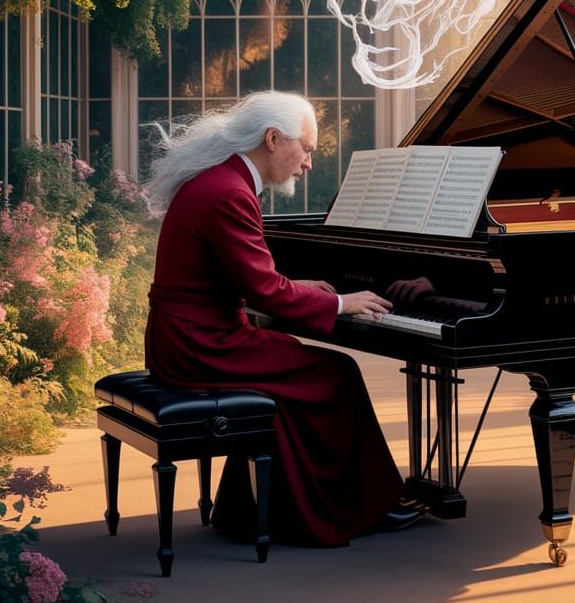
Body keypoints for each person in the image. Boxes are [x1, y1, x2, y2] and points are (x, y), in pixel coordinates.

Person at [143, 90, 422, 545]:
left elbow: (247, 277)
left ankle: (253, 509)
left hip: (188, 336)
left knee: (295, 366)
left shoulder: (219, 181)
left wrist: (302, 288)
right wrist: (340, 303)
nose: (308, 163)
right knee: (337, 372)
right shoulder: (229, 193)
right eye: (306, 149)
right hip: (200, 345)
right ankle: (361, 507)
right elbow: (263, 290)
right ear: (273, 138)